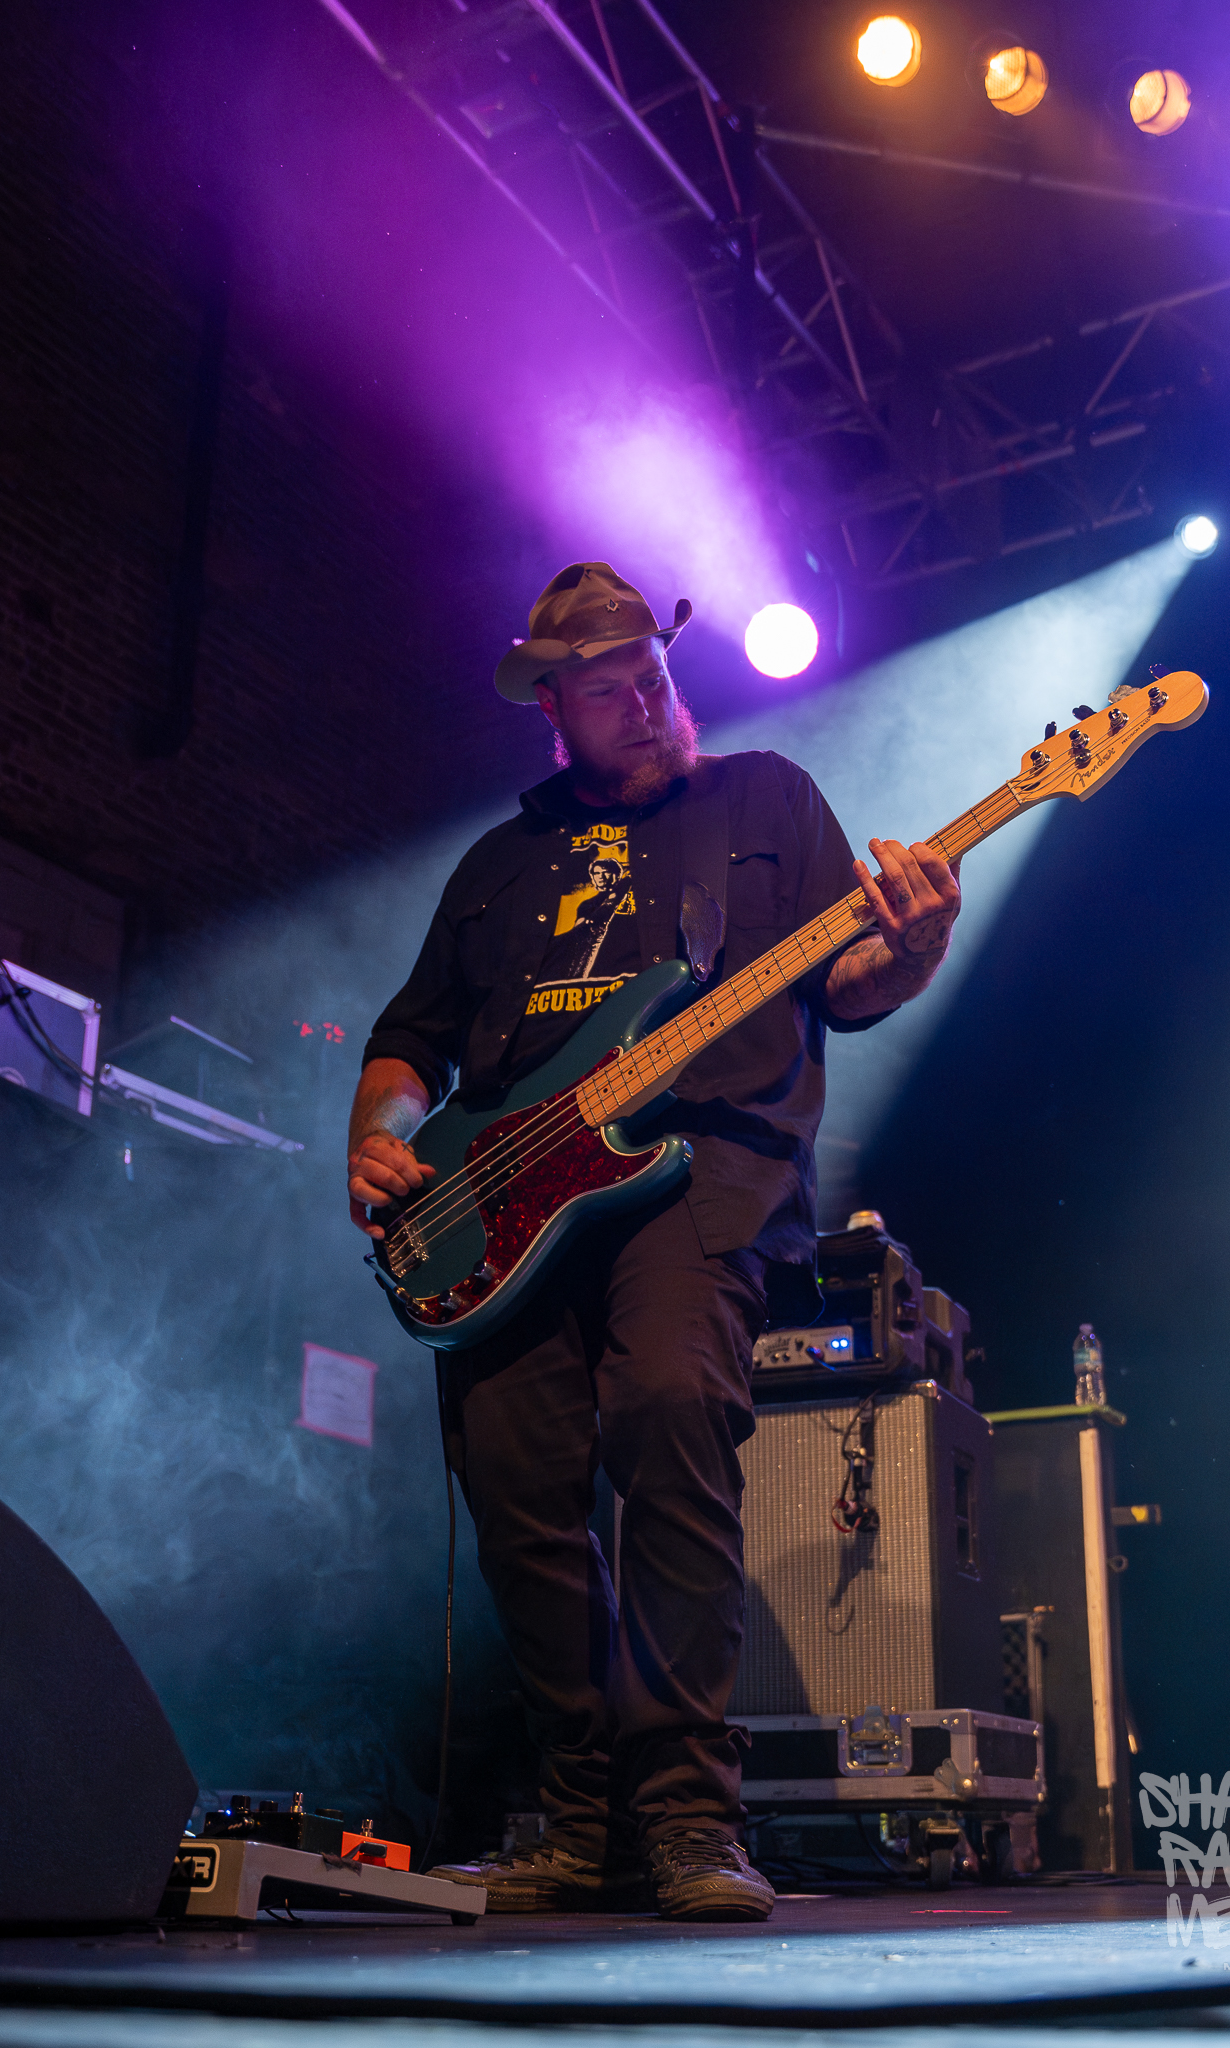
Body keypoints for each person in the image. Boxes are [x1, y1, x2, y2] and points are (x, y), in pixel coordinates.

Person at [348, 562, 961, 1920]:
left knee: (676, 1407)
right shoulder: (500, 864)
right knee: (517, 1489)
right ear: (552, 707)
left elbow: (846, 987)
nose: (646, 702)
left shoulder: (762, 804)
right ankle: (581, 1817)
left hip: (702, 1171)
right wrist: (378, 1134)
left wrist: (916, 943)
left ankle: (691, 1817)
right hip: (506, 1199)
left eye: (656, 675)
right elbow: (412, 1038)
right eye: (611, 687)